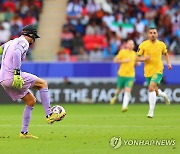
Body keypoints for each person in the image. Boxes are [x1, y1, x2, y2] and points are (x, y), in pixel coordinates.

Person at [0, 25, 66, 139]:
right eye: (34, 38)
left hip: (3, 79)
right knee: (43, 84)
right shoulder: (24, 42)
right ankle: (49, 114)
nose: (33, 41)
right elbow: (16, 53)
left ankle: (23, 133)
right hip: (12, 76)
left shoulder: (11, 42)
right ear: (30, 35)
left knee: (31, 101)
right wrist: (16, 73)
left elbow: (0, 50)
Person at [137, 27, 172, 118]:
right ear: (148, 34)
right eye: (151, 33)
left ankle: (151, 112)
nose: (153, 34)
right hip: (148, 71)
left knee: (151, 87)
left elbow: (166, 54)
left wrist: (168, 64)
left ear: (157, 34)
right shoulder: (143, 45)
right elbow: (137, 57)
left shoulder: (161, 44)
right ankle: (164, 94)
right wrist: (144, 59)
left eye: (154, 33)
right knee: (155, 91)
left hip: (158, 70)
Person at [110, 39, 138, 112]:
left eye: (132, 44)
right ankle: (115, 97)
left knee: (127, 90)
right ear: (126, 45)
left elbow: (136, 62)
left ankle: (124, 106)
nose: (131, 45)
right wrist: (124, 61)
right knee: (119, 89)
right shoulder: (122, 52)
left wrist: (137, 63)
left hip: (130, 76)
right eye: (130, 44)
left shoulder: (134, 54)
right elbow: (115, 60)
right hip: (121, 74)